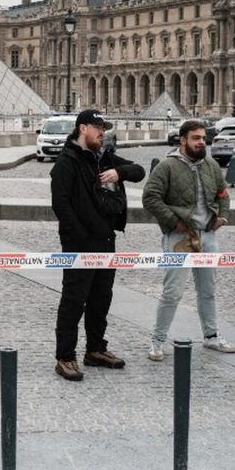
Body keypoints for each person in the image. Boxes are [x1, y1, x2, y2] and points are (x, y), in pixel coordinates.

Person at [50, 109, 145, 381]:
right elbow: (61, 204)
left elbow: (139, 171)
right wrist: (80, 236)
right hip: (80, 245)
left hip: (106, 241)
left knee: (101, 298)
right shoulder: (67, 161)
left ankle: (95, 349)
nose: (102, 132)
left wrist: (118, 172)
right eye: (97, 128)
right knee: (73, 301)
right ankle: (65, 357)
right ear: (82, 128)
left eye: (104, 128)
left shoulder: (104, 158)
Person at [143, 119, 235, 360]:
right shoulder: (167, 167)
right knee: (172, 292)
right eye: (196, 138)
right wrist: (175, 222)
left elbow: (223, 193)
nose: (201, 143)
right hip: (180, 236)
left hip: (208, 235)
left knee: (208, 290)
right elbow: (150, 197)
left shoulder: (211, 165)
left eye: (203, 138)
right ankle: (157, 340)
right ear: (183, 140)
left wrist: (223, 217)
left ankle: (211, 335)